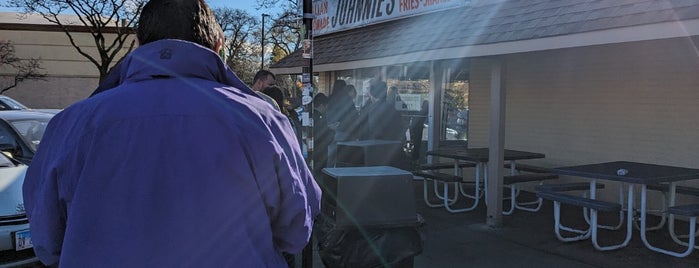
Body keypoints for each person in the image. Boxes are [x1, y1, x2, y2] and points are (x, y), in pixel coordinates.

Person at [22, 1, 321, 267]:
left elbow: (47, 242)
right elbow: (297, 229)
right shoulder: (263, 121)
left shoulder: (72, 124)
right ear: (219, 46)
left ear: (138, 44)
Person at [311, 93, 332, 176]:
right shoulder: (321, 118)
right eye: (326, 106)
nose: (326, 108)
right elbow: (325, 135)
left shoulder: (309, 116)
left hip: (313, 151)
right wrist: (332, 130)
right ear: (322, 105)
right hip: (321, 152)